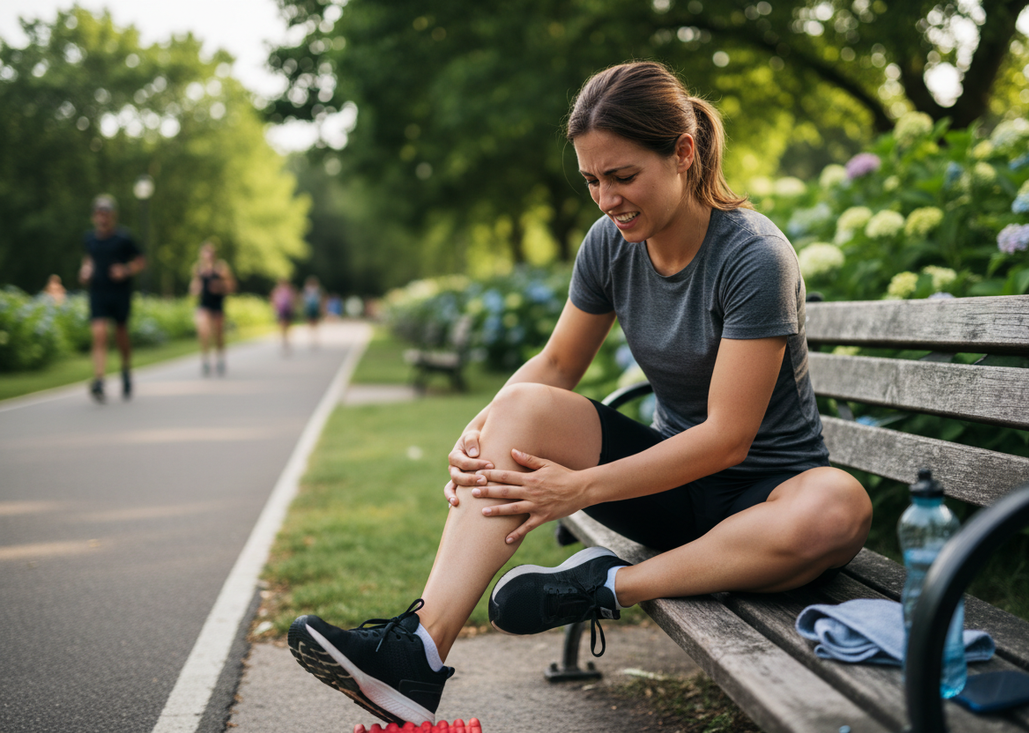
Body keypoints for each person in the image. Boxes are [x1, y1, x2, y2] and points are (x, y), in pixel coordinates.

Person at [286, 61, 872, 727]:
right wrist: (478, 433)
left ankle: (603, 586)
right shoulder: (609, 246)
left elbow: (728, 437)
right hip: (672, 495)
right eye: (592, 180)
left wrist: (580, 490)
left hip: (769, 498)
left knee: (839, 506)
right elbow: (559, 360)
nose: (606, 198)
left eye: (622, 176)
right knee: (523, 405)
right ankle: (417, 651)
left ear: (683, 153)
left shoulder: (754, 257)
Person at [78, 194, 145, 403]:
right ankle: (99, 379)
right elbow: (88, 259)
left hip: (119, 293)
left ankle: (125, 369)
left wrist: (125, 270)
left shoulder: (124, 238)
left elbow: (141, 260)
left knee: (121, 333)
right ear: (93, 217)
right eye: (99, 214)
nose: (103, 218)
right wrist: (85, 271)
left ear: (113, 216)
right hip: (98, 292)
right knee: (99, 334)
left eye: (106, 214)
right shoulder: (89, 238)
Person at [189, 241, 236, 376]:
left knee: (218, 334)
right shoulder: (198, 268)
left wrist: (220, 286)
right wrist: (194, 289)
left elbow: (231, 286)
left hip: (217, 304)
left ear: (214, 255)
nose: (208, 256)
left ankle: (220, 359)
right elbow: (194, 285)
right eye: (205, 253)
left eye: (210, 253)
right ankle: (205, 360)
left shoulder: (221, 268)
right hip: (204, 304)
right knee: (203, 332)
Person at [271, 279, 296, 354]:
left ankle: (287, 338)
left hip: (288, 310)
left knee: (287, 325)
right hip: (281, 310)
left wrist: (293, 308)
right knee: (282, 324)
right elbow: (273, 300)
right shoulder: (277, 291)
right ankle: (284, 339)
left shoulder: (289, 291)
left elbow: (293, 300)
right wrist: (274, 309)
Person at [302, 276, 323, 347]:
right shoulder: (308, 290)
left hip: (314, 308)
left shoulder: (317, 290)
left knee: (314, 322)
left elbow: (319, 300)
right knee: (311, 322)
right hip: (310, 308)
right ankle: (312, 336)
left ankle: (314, 336)